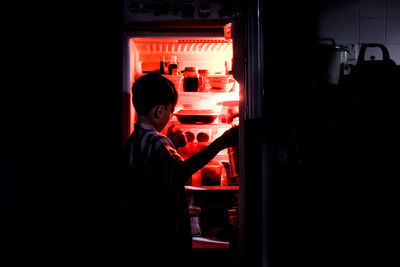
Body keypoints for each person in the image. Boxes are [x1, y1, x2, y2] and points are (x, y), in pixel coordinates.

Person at [121, 72, 238, 267]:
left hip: (140, 234)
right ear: (159, 111)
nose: (169, 116)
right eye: (169, 111)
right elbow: (181, 172)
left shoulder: (133, 141)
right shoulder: (158, 141)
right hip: (164, 238)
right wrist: (221, 142)